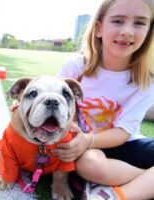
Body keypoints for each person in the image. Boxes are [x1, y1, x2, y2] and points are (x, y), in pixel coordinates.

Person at [53, 0, 154, 199]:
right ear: (99, 28)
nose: (127, 31)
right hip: (85, 147)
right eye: (118, 21)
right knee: (89, 165)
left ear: (149, 31)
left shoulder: (147, 81)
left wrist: (88, 140)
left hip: (124, 143)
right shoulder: (74, 68)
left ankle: (114, 194)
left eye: (139, 23)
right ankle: (144, 182)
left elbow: (123, 133)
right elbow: (61, 109)